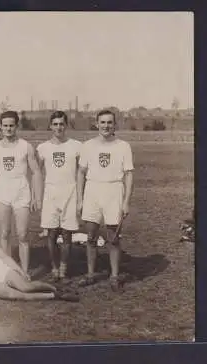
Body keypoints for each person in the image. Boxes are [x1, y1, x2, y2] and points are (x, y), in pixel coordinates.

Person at [0, 212, 79, 301]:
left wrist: (18, 270)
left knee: (26, 287)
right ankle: (55, 296)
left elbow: (3, 257)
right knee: (15, 296)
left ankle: (56, 287)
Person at [76, 110, 134, 291]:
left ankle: (114, 276)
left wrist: (126, 201)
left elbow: (129, 174)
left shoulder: (123, 146)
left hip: (114, 190)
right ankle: (91, 274)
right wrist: (80, 198)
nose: (106, 126)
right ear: (96, 123)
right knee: (91, 236)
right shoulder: (88, 145)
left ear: (115, 124)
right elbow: (81, 173)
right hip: (93, 190)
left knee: (113, 238)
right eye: (103, 122)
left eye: (109, 122)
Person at [0, 110, 42, 275]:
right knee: (4, 233)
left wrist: (36, 197)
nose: (8, 129)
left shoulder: (25, 146)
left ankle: (25, 272)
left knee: (23, 234)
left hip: (21, 191)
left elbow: (36, 172)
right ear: (0, 127)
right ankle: (8, 270)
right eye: (5, 126)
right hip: (2, 191)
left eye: (11, 125)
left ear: (17, 126)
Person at [36, 111, 82, 282]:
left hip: (70, 191)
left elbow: (81, 172)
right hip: (50, 192)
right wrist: (38, 196)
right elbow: (37, 173)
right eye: (55, 124)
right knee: (51, 233)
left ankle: (64, 268)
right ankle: (54, 267)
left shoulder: (76, 146)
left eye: (61, 124)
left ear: (66, 125)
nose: (58, 127)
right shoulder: (42, 148)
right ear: (50, 126)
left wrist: (80, 195)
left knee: (67, 234)